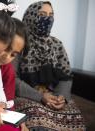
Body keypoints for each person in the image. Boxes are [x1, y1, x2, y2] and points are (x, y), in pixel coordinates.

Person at [13, 1, 86, 130]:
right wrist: (41, 97)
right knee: (39, 118)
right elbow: (13, 79)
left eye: (50, 15)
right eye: (42, 14)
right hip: (29, 95)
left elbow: (66, 76)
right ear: (31, 17)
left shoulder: (57, 44)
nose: (47, 19)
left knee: (75, 121)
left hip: (54, 95)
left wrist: (60, 97)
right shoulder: (19, 43)